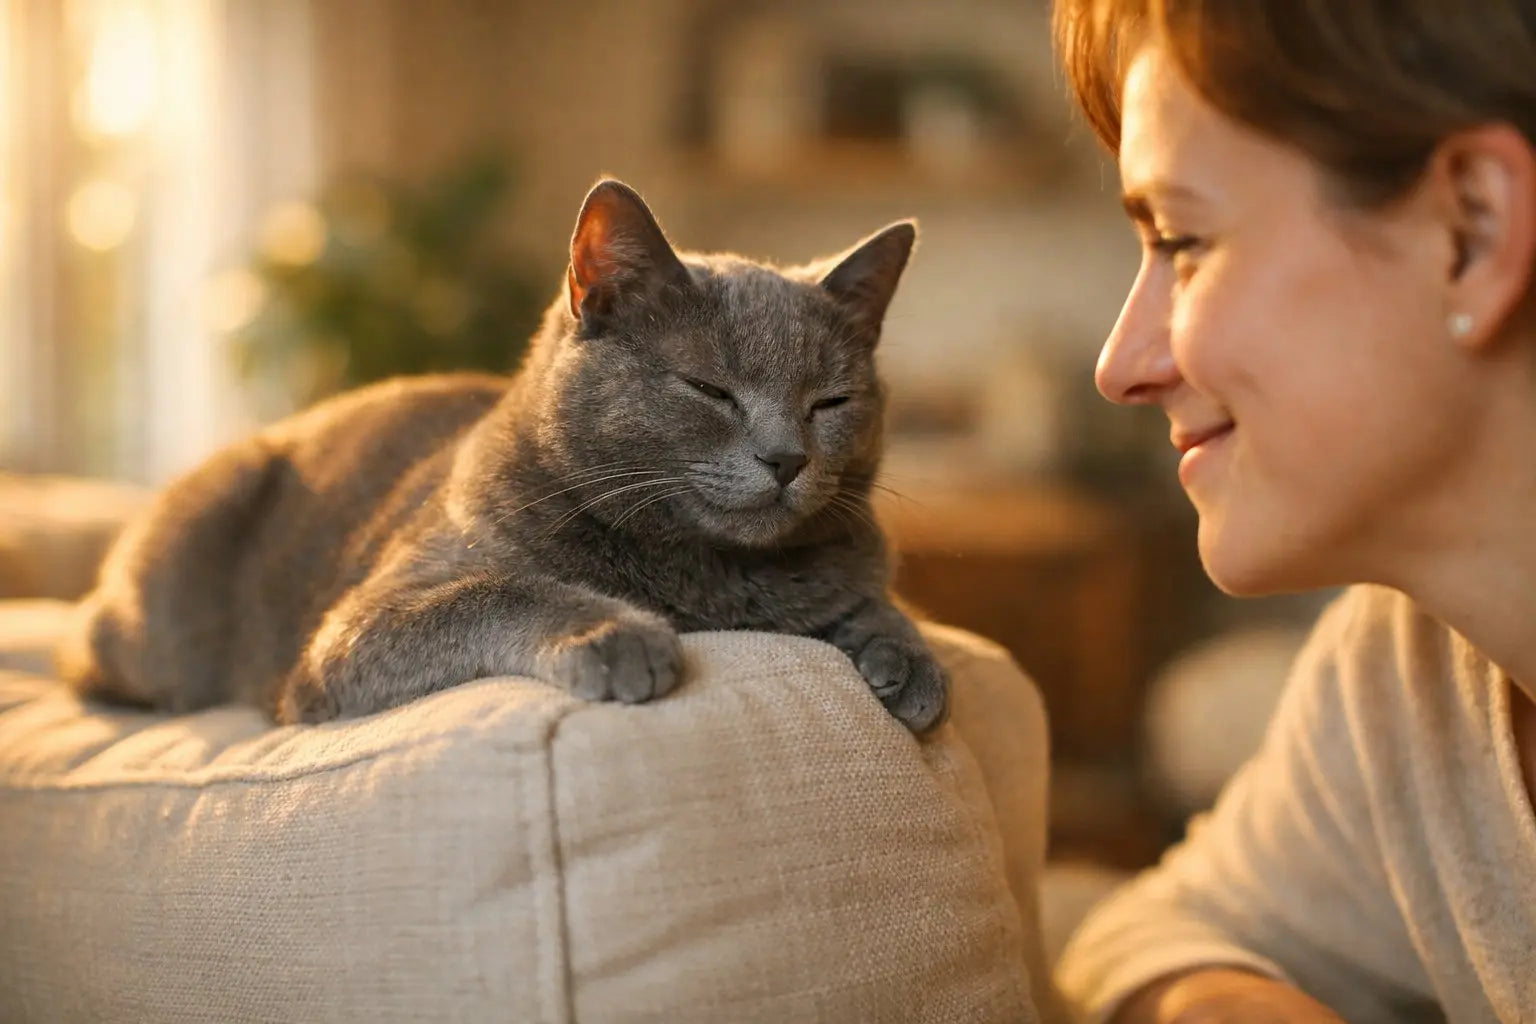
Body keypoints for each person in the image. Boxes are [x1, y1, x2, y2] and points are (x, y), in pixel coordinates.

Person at [1049, 1, 1536, 1022]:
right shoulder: (1410, 673)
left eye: (1183, 240)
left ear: (1473, 229)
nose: (1121, 365)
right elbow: (1150, 930)